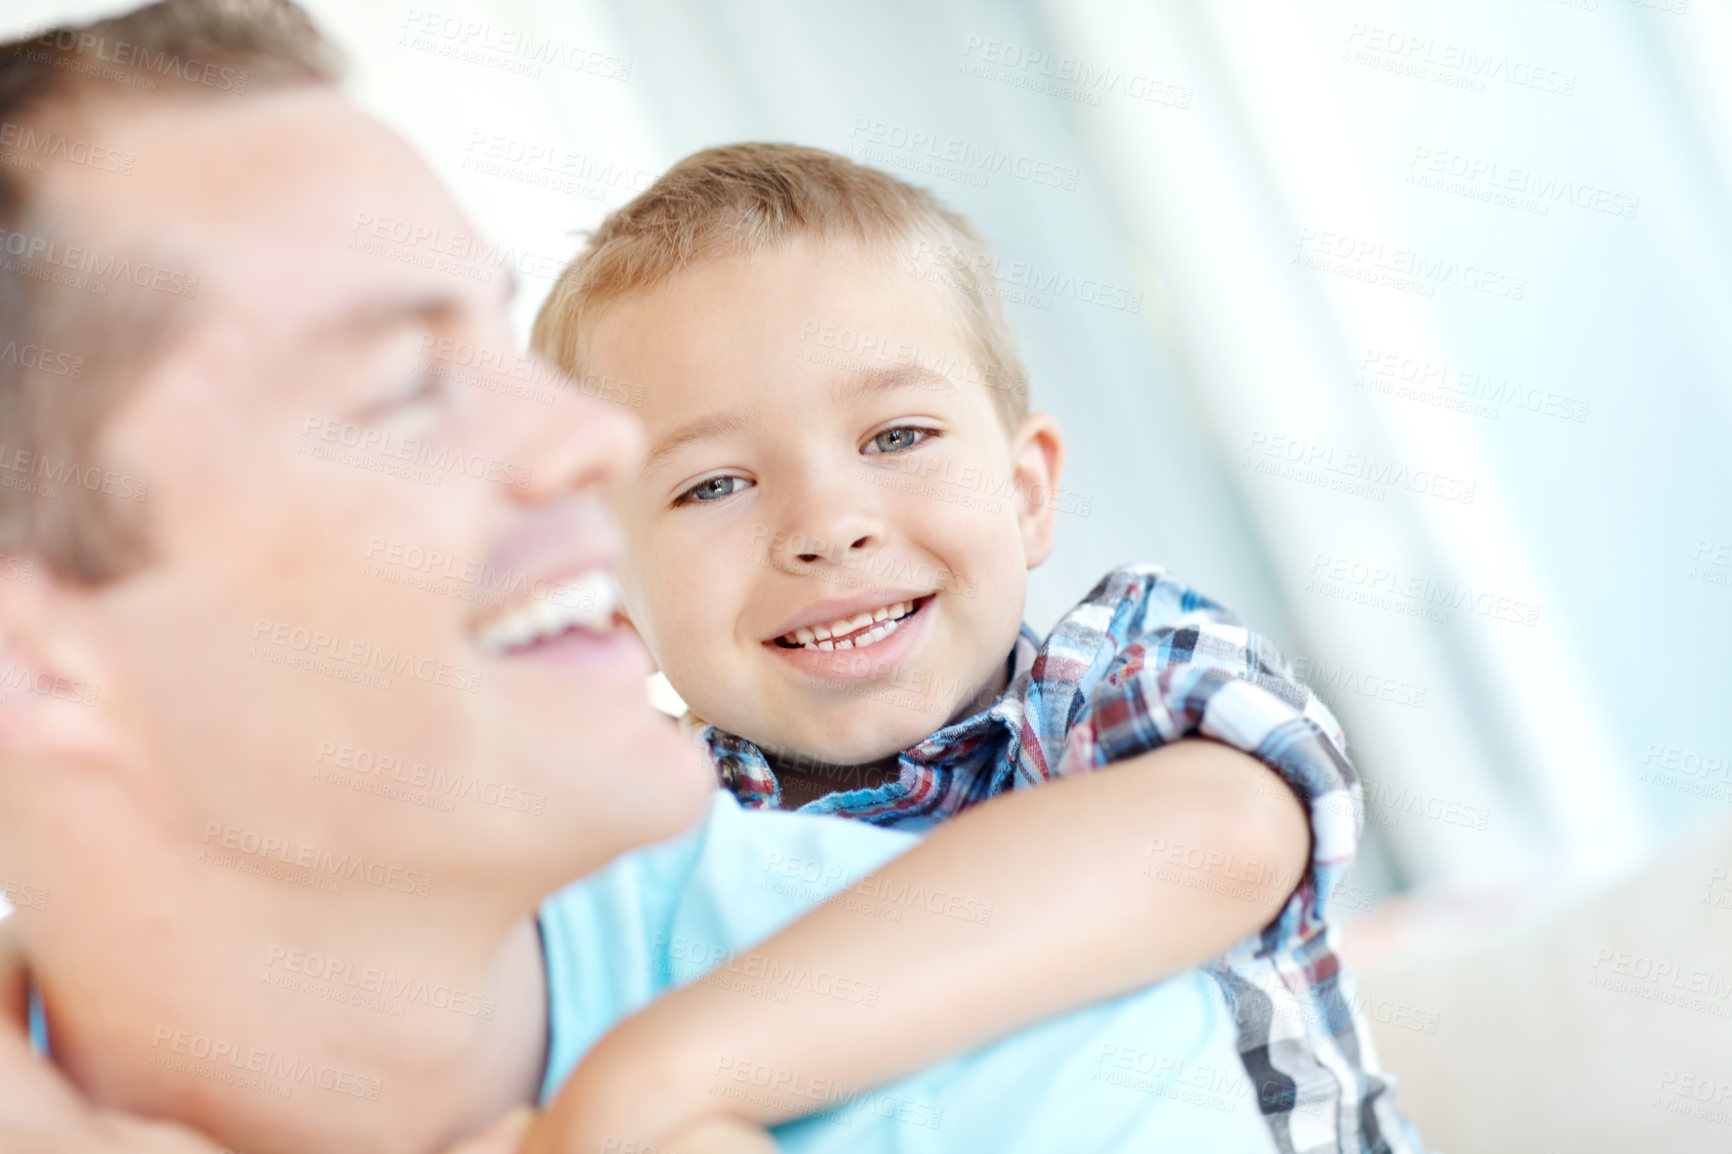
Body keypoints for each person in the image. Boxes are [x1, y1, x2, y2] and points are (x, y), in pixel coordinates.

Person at [0, 3, 1321, 1152]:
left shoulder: (1037, 1040)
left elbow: (1229, 825)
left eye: (499, 345)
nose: (595, 440)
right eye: (407, 385)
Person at [529, 143, 1426, 1153]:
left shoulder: (1109, 681)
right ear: (616, 595)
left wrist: (667, 1069)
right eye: (712, 485)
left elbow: (1223, 837)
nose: (827, 522)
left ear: (1026, 491)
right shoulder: (648, 832)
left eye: (896, 436)